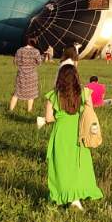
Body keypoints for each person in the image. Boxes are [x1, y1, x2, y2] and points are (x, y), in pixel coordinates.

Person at [41, 60, 102, 207]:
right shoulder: (84, 93)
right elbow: (89, 112)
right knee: (79, 165)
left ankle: (62, 196)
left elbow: (49, 118)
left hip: (61, 133)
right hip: (78, 132)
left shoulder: (53, 95)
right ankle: (76, 198)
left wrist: (59, 117)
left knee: (61, 166)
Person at [10, 36, 43, 113]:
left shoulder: (19, 50)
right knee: (31, 93)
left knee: (17, 92)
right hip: (32, 75)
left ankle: (11, 110)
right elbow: (39, 62)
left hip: (21, 74)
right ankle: (29, 111)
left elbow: (15, 62)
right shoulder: (36, 51)